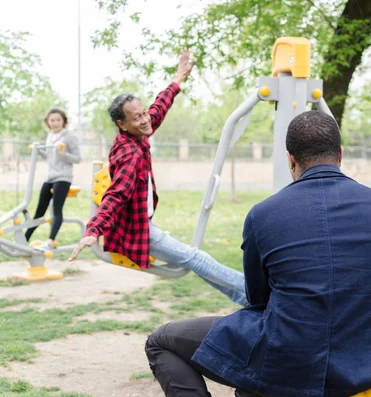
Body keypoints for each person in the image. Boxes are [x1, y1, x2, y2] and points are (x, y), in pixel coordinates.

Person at [144, 111, 371, 397]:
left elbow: (259, 301)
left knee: (160, 341)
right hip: (369, 362)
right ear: (340, 155)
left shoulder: (262, 215)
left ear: (290, 159)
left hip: (284, 360)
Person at [68, 50, 246, 306]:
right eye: (136, 117)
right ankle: (261, 294)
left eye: (143, 113)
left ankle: (247, 299)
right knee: (195, 259)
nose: (144, 119)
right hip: (138, 231)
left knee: (193, 262)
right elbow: (115, 195)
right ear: (122, 124)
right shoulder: (130, 153)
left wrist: (178, 79)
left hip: (141, 223)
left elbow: (158, 109)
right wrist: (93, 229)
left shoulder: (137, 134)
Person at [25, 108, 81, 251]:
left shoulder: (68, 137)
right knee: (39, 211)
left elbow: (78, 158)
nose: (55, 123)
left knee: (56, 210)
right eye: (52, 120)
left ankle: (50, 241)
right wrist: (38, 150)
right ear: (48, 122)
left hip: (63, 177)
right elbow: (50, 157)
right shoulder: (50, 136)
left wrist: (64, 154)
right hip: (50, 177)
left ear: (63, 121)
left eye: (58, 120)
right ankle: (24, 239)